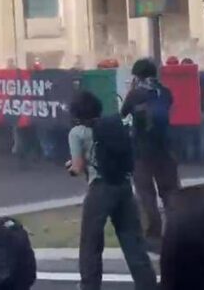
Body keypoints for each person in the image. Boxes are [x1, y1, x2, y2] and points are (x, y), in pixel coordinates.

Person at [67, 91, 158, 290]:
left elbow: (78, 166)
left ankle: (89, 285)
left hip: (100, 188)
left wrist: (72, 168)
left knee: (90, 242)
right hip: (124, 185)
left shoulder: (77, 132)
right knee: (133, 241)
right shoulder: (113, 126)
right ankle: (147, 284)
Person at [121, 58, 179, 240]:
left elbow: (123, 113)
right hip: (165, 148)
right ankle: (177, 228)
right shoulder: (165, 92)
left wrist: (131, 90)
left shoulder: (135, 94)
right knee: (170, 192)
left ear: (137, 76)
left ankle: (153, 234)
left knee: (146, 195)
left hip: (141, 151)